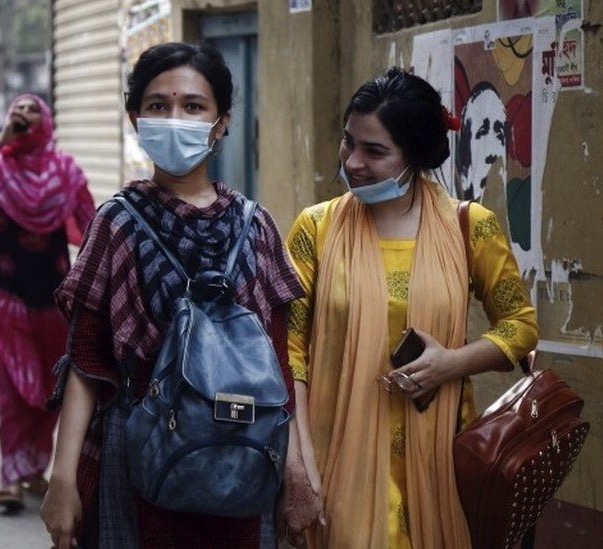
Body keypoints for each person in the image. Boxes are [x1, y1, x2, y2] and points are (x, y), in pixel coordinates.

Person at [40, 41, 306, 549]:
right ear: (135, 119)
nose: (174, 119)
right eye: (158, 106)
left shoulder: (256, 227)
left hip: (243, 454)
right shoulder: (116, 223)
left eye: (193, 106)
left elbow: (280, 364)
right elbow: (87, 362)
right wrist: (63, 479)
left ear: (222, 123)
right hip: (139, 456)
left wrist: (295, 470)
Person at [284, 67, 539, 548]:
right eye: (348, 142)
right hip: (336, 464)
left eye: (374, 151)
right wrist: (300, 467)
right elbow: (290, 354)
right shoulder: (315, 230)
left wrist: (451, 363)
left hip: (440, 466)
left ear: (415, 156)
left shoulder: (469, 227)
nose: (353, 162)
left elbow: (521, 327)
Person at [0, 94, 94, 514]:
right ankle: (9, 477)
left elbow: (91, 225)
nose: (24, 114)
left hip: (54, 301)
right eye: (17, 109)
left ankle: (33, 468)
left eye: (32, 109)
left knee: (48, 391)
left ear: (47, 120)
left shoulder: (65, 172)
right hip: (8, 300)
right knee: (11, 390)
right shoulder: (1, 169)